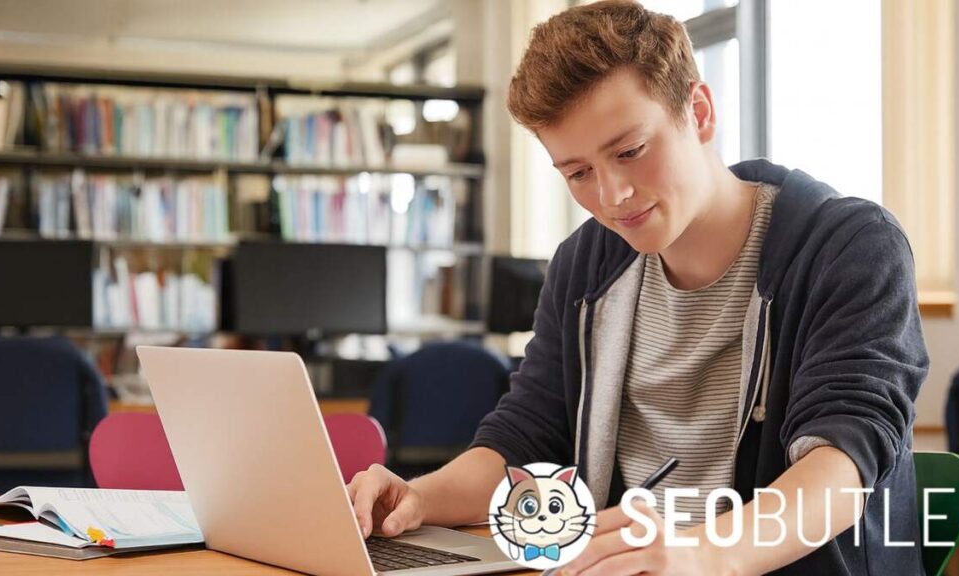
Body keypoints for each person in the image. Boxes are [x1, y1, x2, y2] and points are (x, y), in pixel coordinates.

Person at [347, 1, 928, 574]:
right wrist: (420, 498)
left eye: (630, 151)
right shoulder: (584, 265)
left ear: (699, 112)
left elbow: (841, 464)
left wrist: (703, 554)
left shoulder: (849, 248)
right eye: (578, 173)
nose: (611, 195)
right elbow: (525, 436)